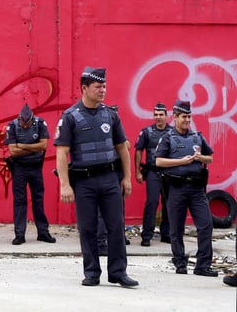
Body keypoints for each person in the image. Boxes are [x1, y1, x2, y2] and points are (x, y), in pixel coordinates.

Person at [54, 66, 138, 287]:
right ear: (84, 88)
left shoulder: (110, 115)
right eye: (98, 86)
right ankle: (92, 272)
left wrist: (127, 178)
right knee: (88, 228)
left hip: (110, 179)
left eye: (104, 86)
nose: (103, 90)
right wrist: (65, 185)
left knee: (116, 226)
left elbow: (122, 147)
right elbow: (61, 152)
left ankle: (118, 272)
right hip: (84, 182)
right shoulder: (70, 117)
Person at [155, 99, 217, 276]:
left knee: (206, 225)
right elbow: (158, 161)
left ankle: (203, 265)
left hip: (197, 189)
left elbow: (210, 157)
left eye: (189, 117)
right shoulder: (168, 138)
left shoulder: (197, 137)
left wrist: (200, 158)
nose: (187, 120)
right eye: (184, 117)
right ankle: (180, 263)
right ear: (175, 117)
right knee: (176, 228)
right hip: (176, 187)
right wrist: (180, 162)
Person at [4, 104, 56, 245]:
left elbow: (44, 145)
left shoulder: (40, 123)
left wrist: (22, 146)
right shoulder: (12, 126)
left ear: (32, 120)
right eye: (23, 123)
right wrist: (34, 148)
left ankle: (43, 232)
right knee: (20, 201)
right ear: (19, 120)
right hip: (19, 167)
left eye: (28, 123)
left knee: (38, 200)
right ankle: (19, 234)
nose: (25, 126)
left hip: (36, 167)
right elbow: (13, 151)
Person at [135, 102, 172, 247]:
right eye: (156, 115)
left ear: (166, 116)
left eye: (161, 115)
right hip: (152, 171)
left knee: (169, 203)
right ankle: (146, 236)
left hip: (169, 173)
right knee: (152, 203)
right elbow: (138, 150)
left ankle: (166, 234)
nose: (158, 117)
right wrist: (137, 171)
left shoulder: (173, 132)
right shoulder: (146, 132)